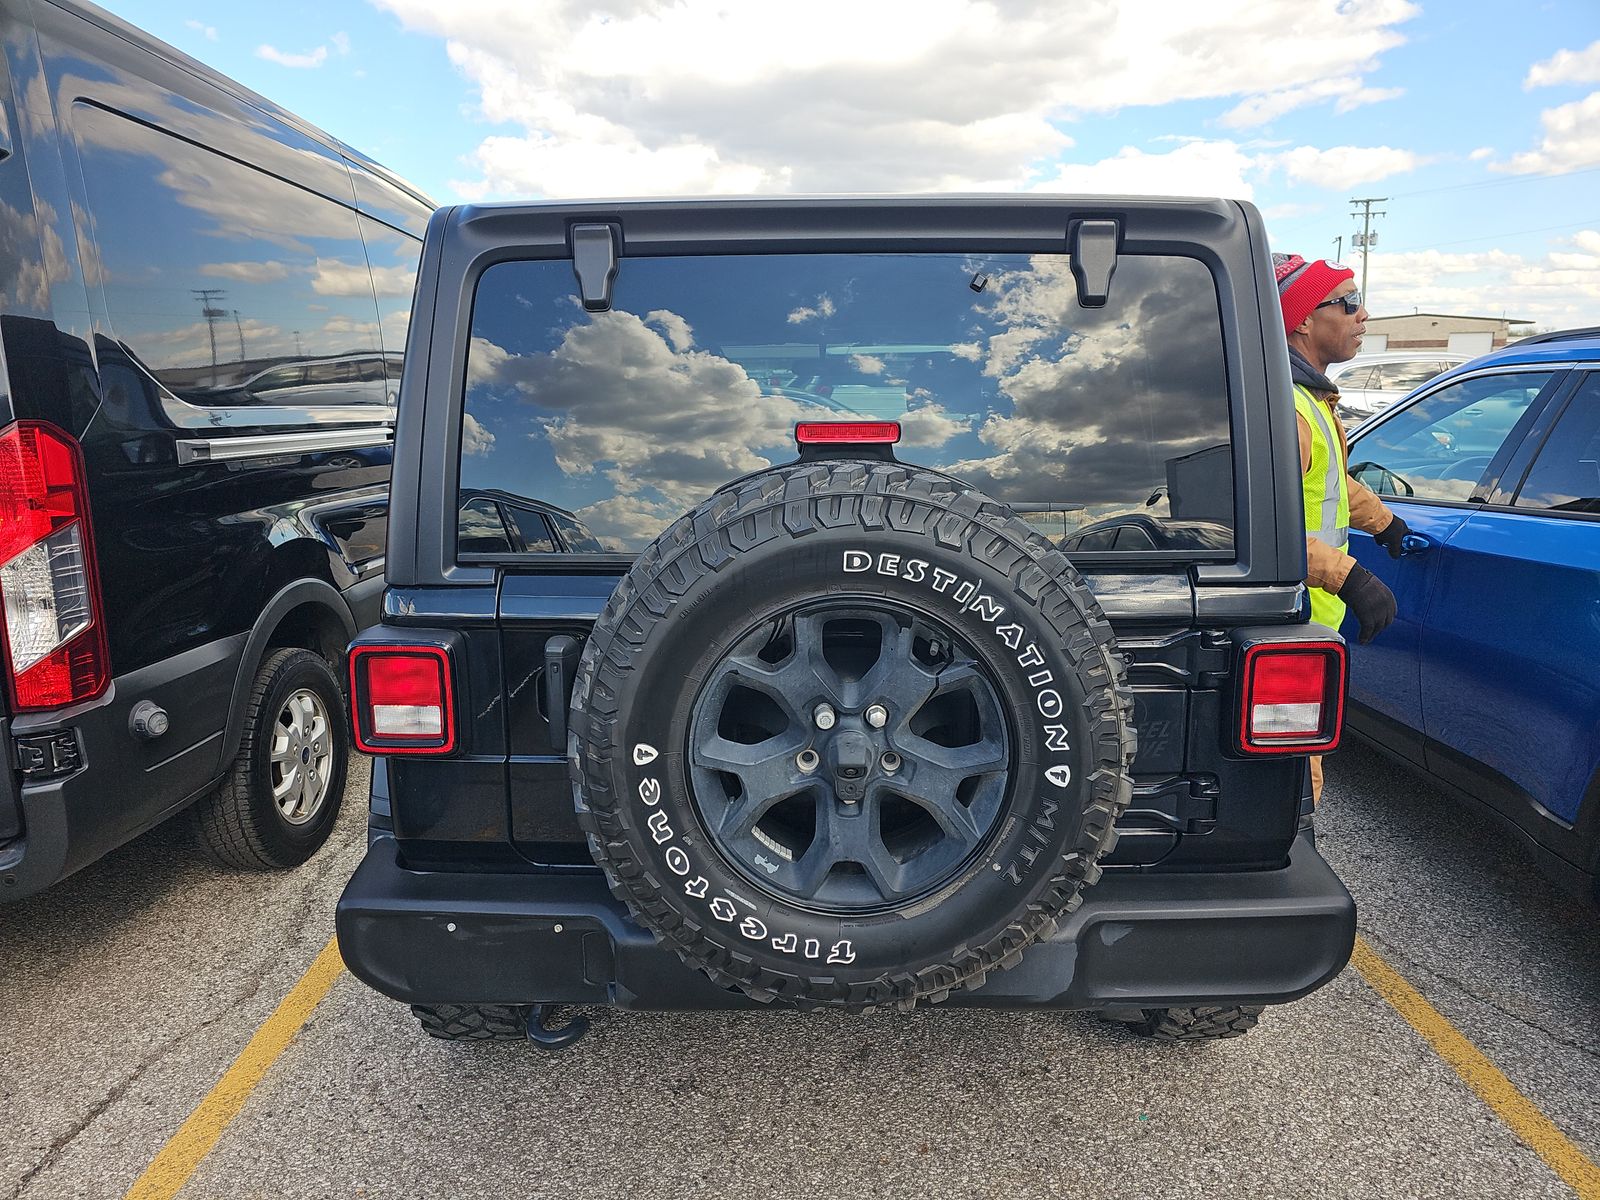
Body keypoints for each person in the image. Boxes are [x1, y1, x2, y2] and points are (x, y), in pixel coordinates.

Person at [1274, 253, 1407, 805]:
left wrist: (1385, 522)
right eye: (1348, 302)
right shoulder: (1287, 410)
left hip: (1309, 616)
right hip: (1285, 615)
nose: (1363, 314)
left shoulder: (1309, 398)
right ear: (1303, 319)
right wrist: (1348, 576)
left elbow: (1329, 482)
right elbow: (1262, 528)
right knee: (1291, 777)